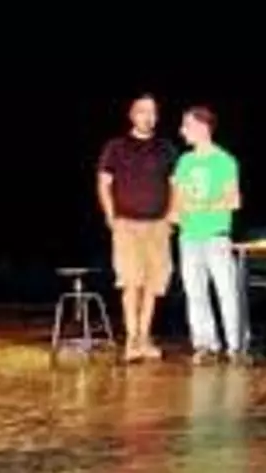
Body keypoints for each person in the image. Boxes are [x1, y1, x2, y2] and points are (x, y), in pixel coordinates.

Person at [97, 94, 178, 362]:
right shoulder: (116, 147)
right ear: (132, 115)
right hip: (127, 225)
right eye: (142, 111)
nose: (148, 117)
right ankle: (132, 339)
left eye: (152, 112)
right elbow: (104, 183)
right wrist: (111, 216)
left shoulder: (166, 148)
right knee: (131, 282)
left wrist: (171, 216)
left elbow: (175, 185)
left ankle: (145, 336)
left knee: (153, 284)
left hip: (157, 226)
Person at [171, 106, 244, 364]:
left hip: (216, 236)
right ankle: (205, 344)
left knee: (227, 292)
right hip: (189, 237)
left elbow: (233, 199)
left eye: (187, 125)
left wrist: (203, 205)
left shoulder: (224, 160)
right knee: (195, 293)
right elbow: (177, 197)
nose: (182, 131)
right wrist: (175, 214)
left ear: (203, 128)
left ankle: (235, 346)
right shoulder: (184, 161)